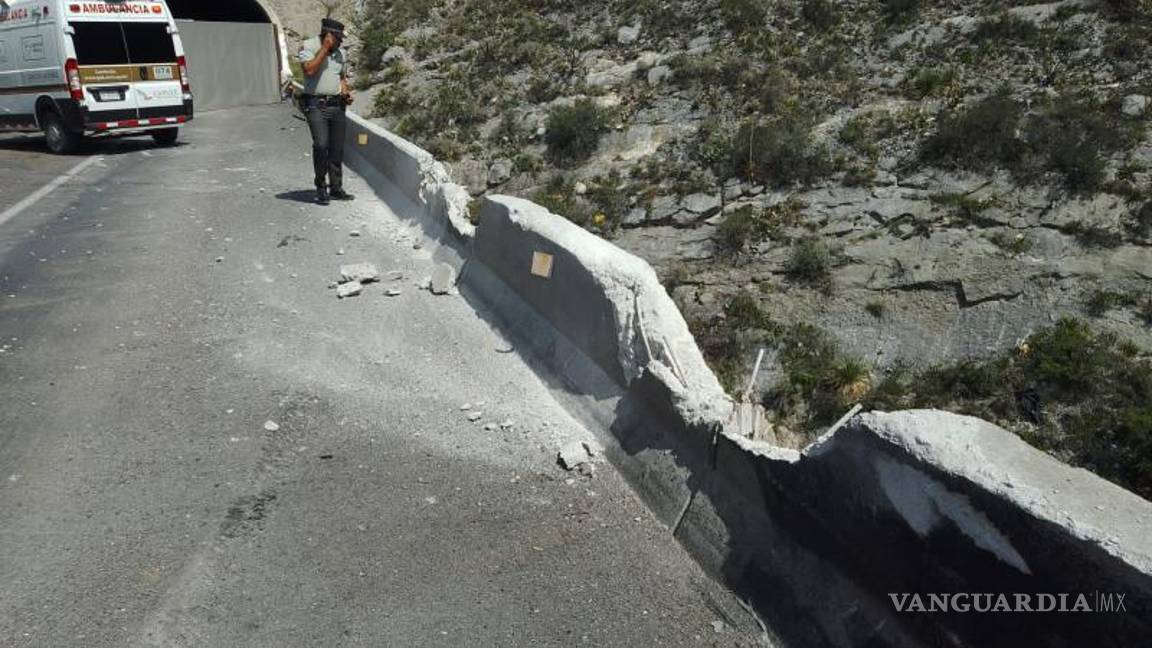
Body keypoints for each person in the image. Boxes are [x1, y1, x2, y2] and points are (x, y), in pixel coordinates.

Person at [298, 18, 355, 206]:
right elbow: (309, 71)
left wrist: (345, 93)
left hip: (337, 105)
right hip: (315, 105)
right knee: (321, 145)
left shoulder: (340, 53)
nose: (341, 43)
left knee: (336, 149)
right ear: (329, 36)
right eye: (338, 39)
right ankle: (321, 187)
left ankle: (336, 188)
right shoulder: (308, 46)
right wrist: (324, 49)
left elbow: (341, 77)